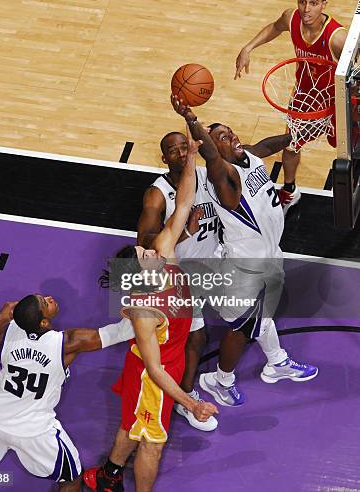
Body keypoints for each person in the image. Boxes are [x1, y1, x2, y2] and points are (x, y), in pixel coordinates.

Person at [84, 130, 218, 492]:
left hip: (159, 366)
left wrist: (191, 156)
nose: (153, 252)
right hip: (152, 377)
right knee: (152, 443)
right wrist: (190, 403)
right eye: (145, 257)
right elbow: (156, 370)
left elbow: (186, 201)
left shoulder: (165, 254)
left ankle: (110, 474)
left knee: (132, 423)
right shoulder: (145, 310)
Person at [171, 96, 318, 408]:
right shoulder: (222, 177)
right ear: (213, 148)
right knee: (243, 329)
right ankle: (219, 381)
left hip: (269, 255)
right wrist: (191, 119)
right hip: (244, 269)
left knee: (262, 320)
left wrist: (296, 135)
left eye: (230, 131)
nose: (232, 136)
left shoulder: (246, 158)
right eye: (222, 137)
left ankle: (276, 362)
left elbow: (264, 147)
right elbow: (211, 156)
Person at [0, 295, 131, 492]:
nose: (50, 298)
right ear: (44, 322)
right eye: (45, 303)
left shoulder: (4, 330)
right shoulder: (67, 343)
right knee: (71, 478)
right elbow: (123, 331)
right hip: (33, 430)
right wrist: (151, 296)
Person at [234, 0, 347, 214]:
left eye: (313, 3)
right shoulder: (291, 18)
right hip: (306, 96)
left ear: (324, 5)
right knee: (291, 144)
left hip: (336, 99)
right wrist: (248, 48)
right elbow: (274, 28)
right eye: (303, 1)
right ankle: (289, 190)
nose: (307, 9)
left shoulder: (337, 38)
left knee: (347, 150)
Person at [137, 130, 221, 431]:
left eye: (185, 147)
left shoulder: (205, 174)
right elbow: (144, 240)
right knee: (197, 339)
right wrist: (184, 230)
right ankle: (186, 397)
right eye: (174, 151)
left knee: (250, 310)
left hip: (215, 261)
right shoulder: (157, 193)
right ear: (164, 158)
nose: (182, 153)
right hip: (181, 277)